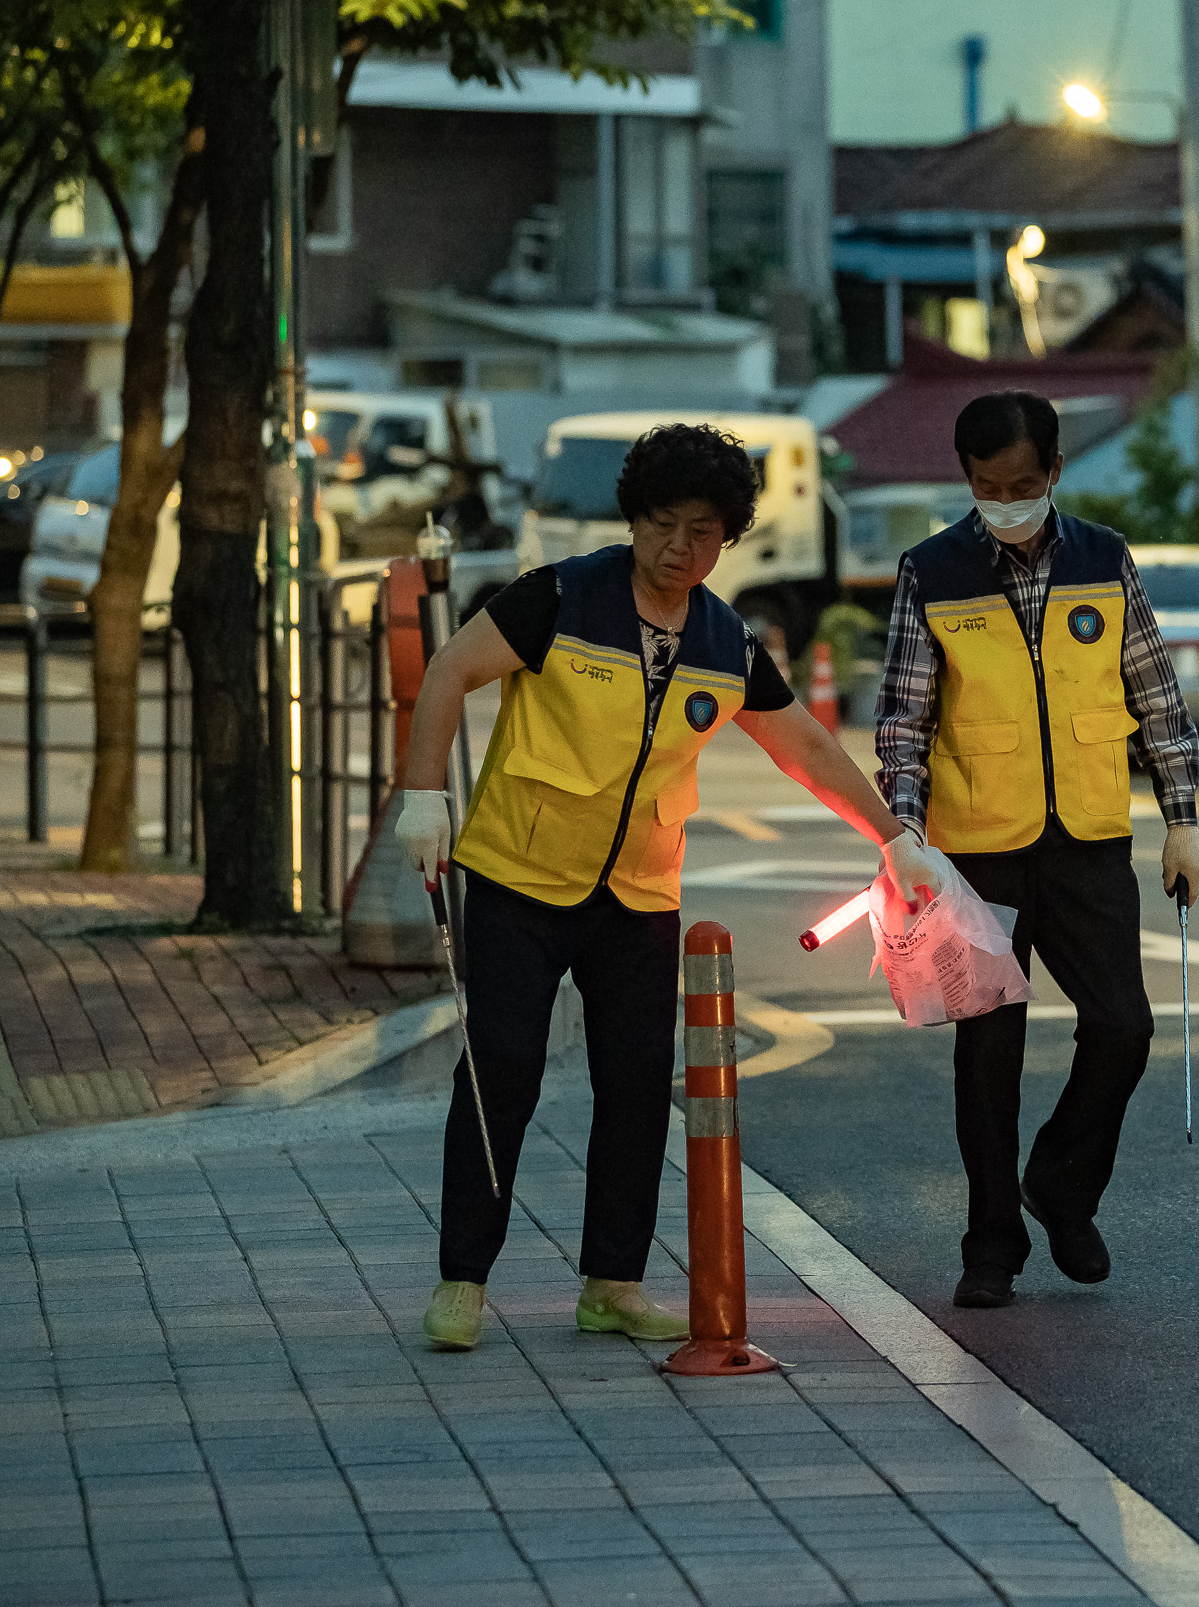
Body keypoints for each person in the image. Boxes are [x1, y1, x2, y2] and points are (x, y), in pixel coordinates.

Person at [394, 424, 939, 1352]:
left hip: (638, 895)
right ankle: (463, 1278)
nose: (680, 548)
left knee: (640, 1086)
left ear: (728, 540)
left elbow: (801, 744)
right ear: (633, 516)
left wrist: (895, 839)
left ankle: (612, 1282)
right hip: (518, 876)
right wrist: (421, 796)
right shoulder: (560, 596)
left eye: (704, 532)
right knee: (502, 1073)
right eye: (663, 524)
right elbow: (450, 669)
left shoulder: (727, 640)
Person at [874, 390, 1199, 1311]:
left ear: (1056, 472)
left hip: (1091, 842)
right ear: (967, 481)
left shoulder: (1104, 558)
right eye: (988, 486)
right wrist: (903, 838)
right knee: (988, 1059)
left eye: (1024, 483)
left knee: (1124, 1028)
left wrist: (1183, 819)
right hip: (973, 855)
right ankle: (992, 1245)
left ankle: (1061, 1183)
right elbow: (903, 721)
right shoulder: (931, 571)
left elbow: (1155, 695)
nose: (1007, 501)